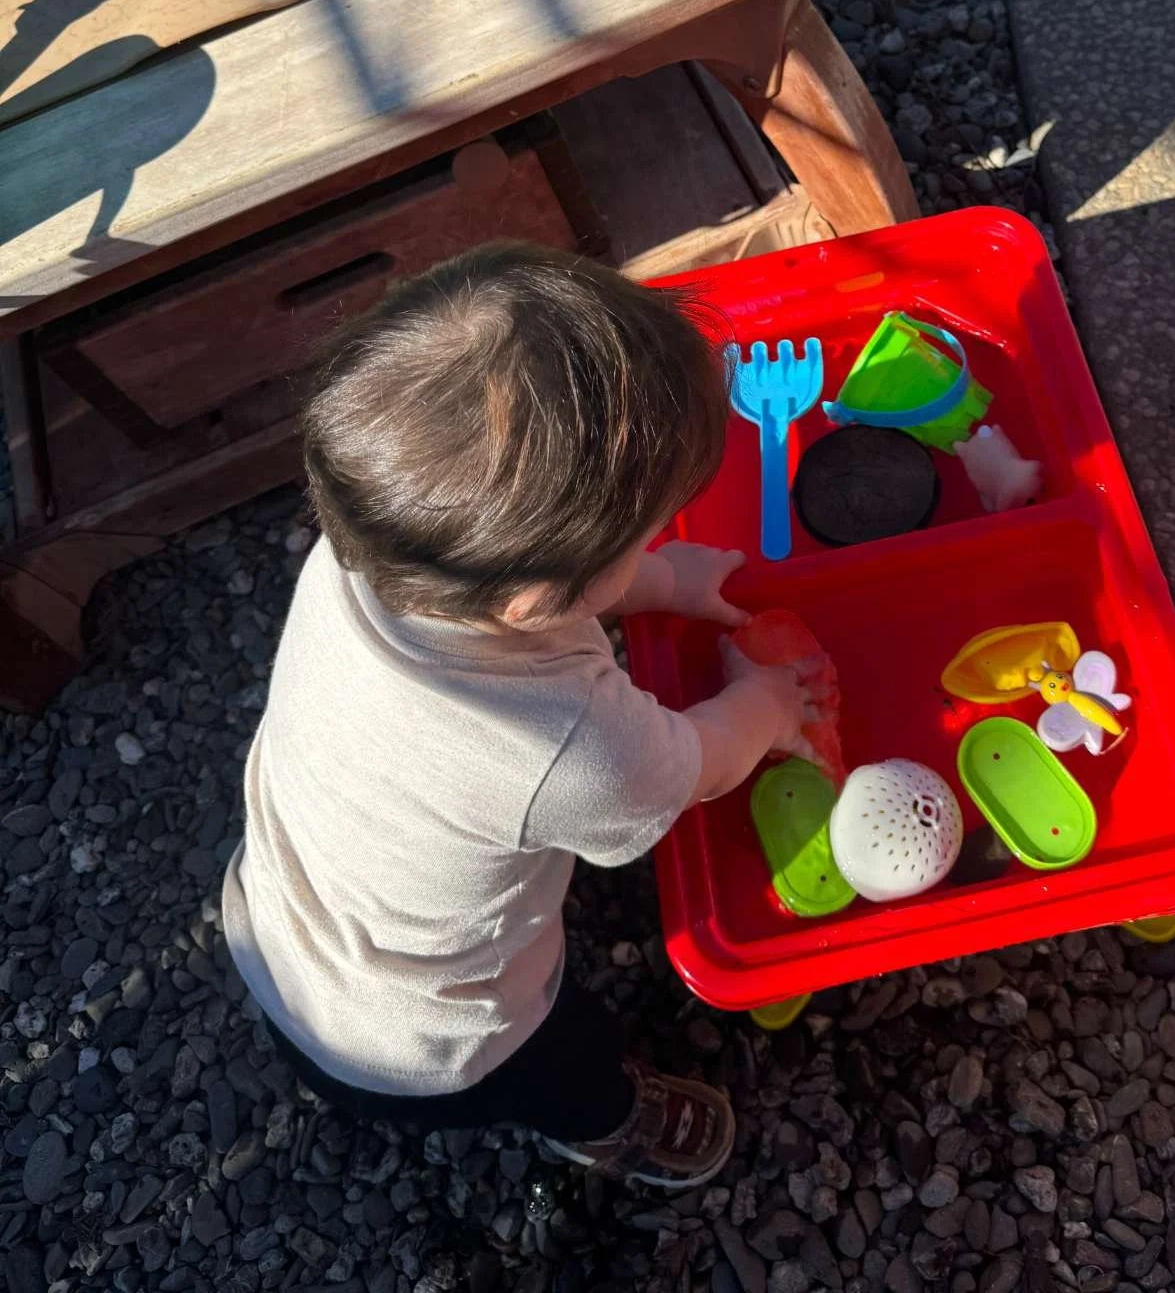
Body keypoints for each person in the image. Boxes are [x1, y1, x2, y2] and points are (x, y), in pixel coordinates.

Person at [221, 241, 825, 1189]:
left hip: (284, 920)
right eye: (651, 533)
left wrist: (659, 580)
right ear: (538, 599)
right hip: (429, 1039)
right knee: (569, 1057)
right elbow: (694, 763)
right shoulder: (570, 746)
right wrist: (763, 705)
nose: (662, 539)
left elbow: (546, 593)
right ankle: (605, 1129)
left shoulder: (372, 555)